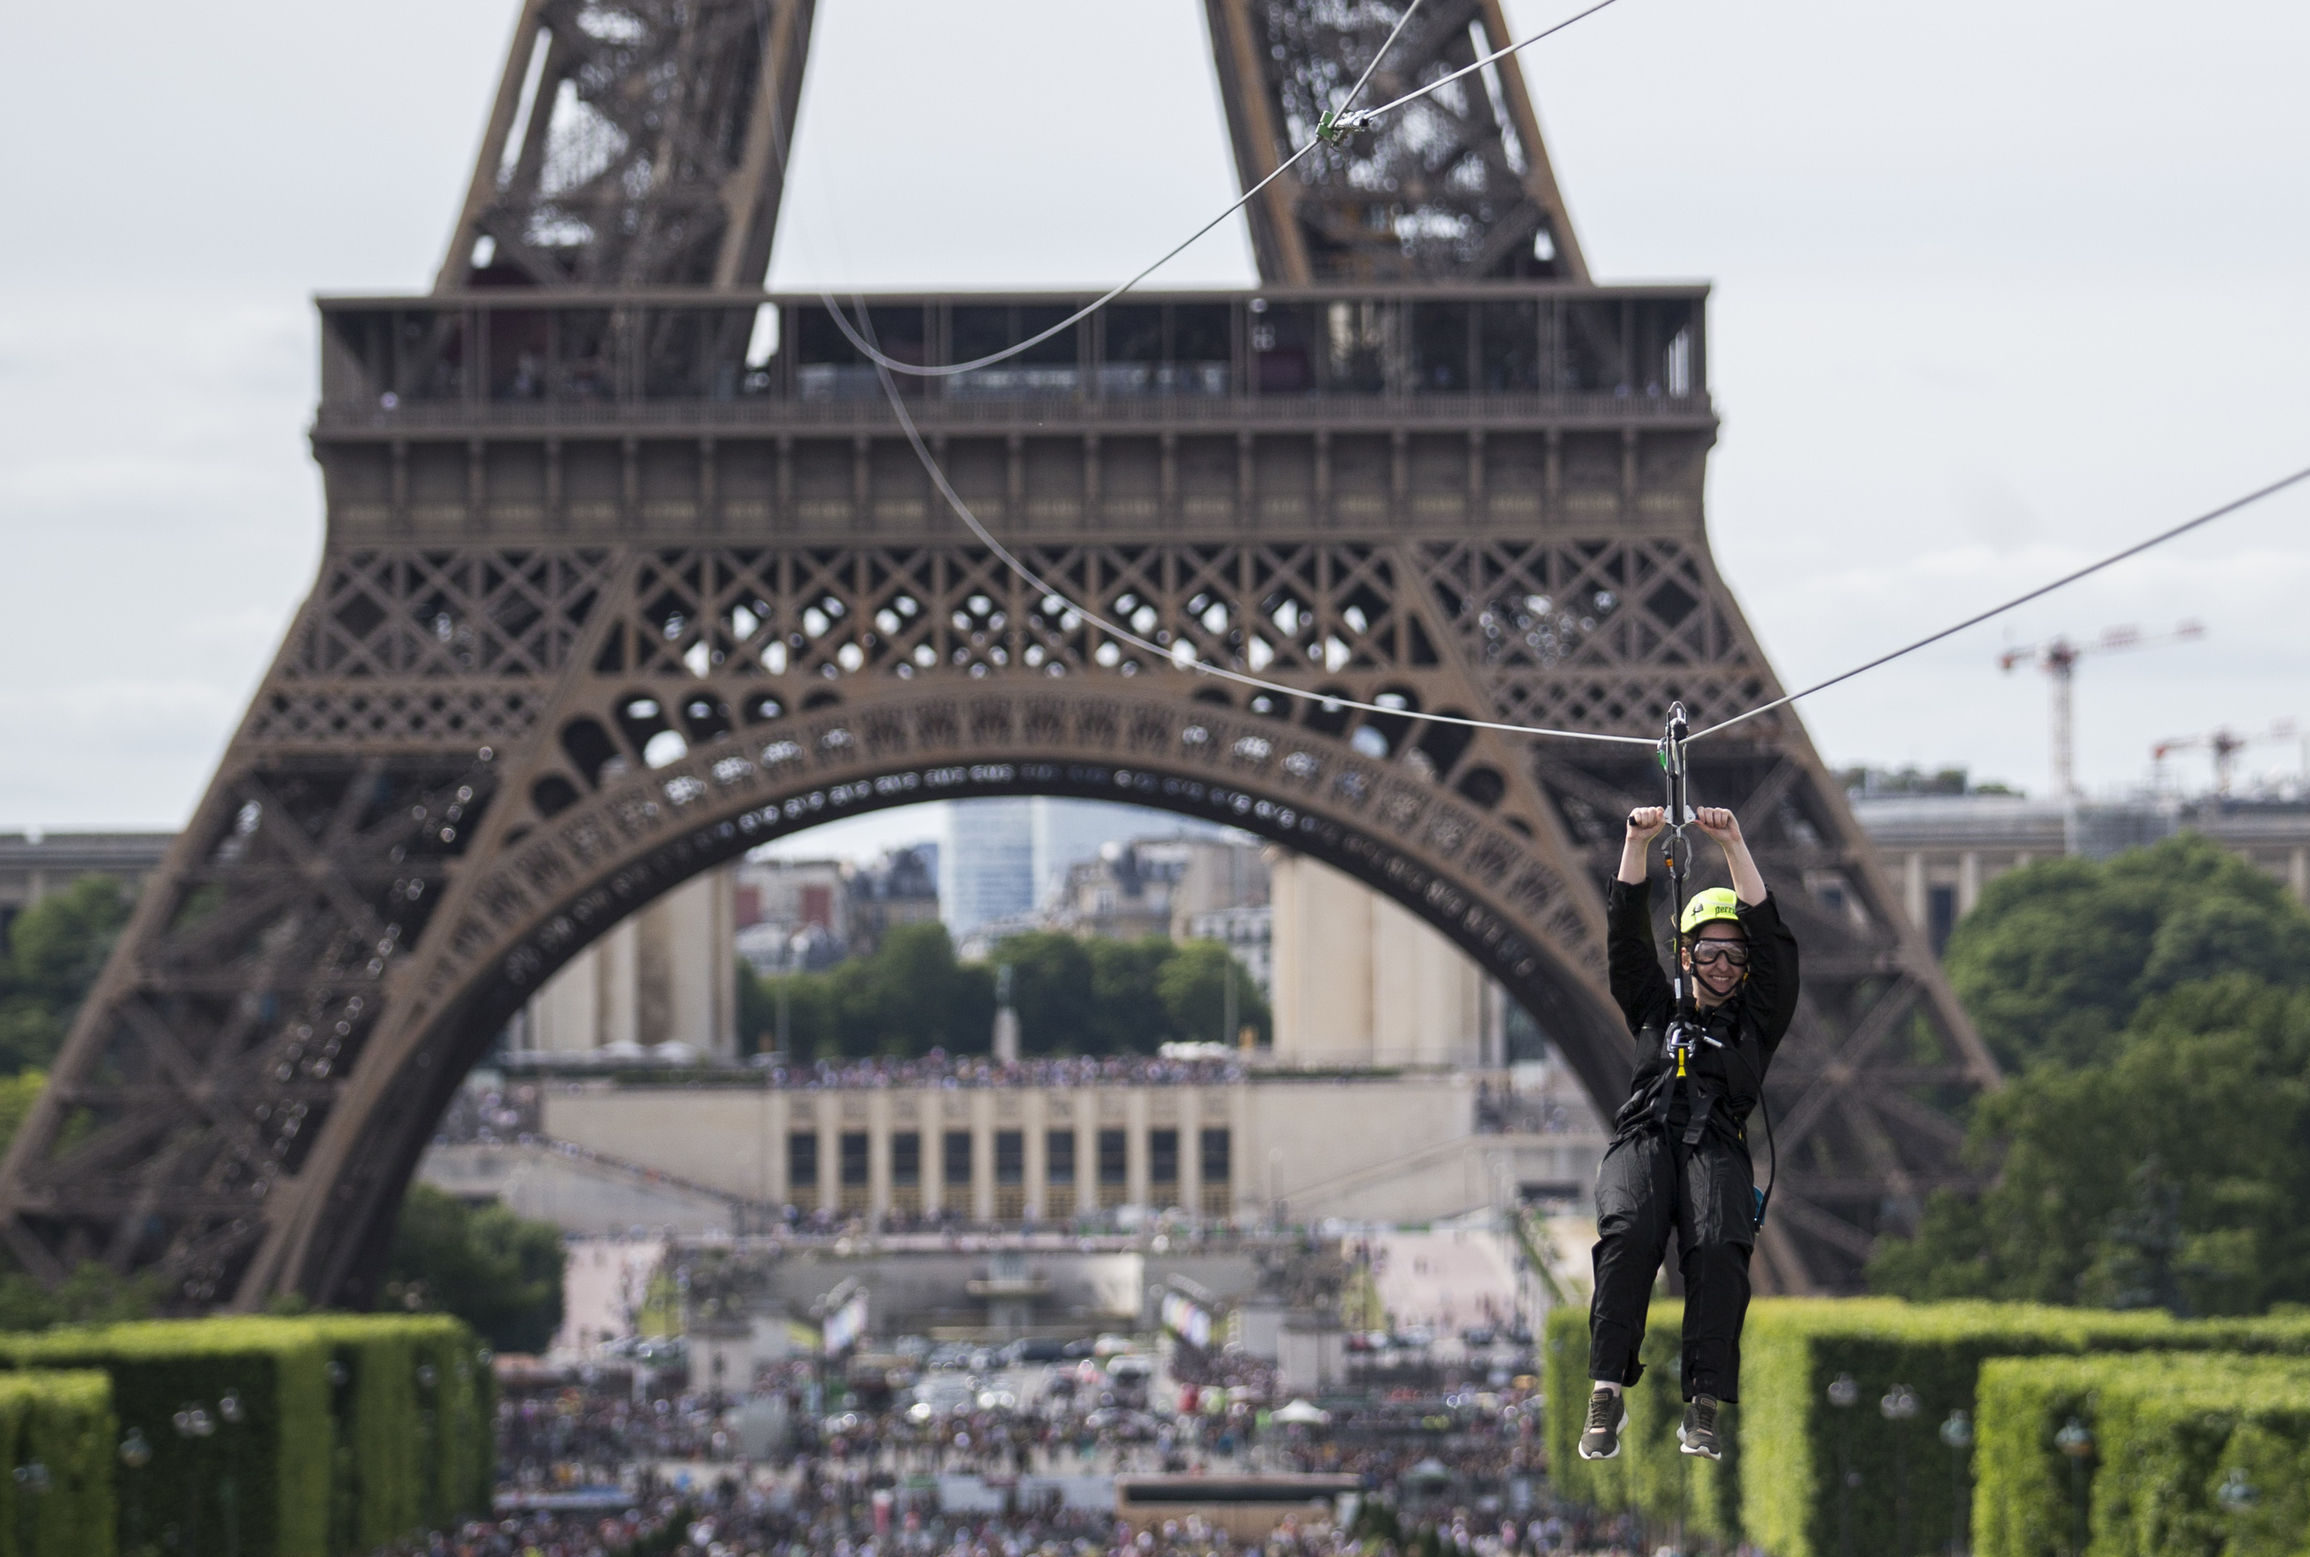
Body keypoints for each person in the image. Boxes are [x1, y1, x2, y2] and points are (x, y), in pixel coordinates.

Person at [1578, 805, 1798, 1463]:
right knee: (1632, 1230)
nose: (1726, 965)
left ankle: (1704, 1402)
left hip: (1715, 1142)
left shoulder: (1758, 1021)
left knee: (1719, 1242)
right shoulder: (1654, 1005)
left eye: (1736, 954)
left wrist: (1732, 840)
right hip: (1646, 1135)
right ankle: (1606, 1387)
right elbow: (1623, 935)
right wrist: (1635, 843)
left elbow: (1777, 942)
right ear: (1686, 953)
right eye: (1711, 951)